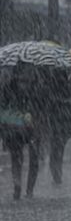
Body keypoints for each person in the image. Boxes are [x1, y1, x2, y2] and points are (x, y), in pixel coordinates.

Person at [1, 66, 39, 200]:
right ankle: (28, 189)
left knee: (17, 158)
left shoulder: (8, 87)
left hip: (15, 126)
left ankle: (19, 185)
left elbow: (3, 108)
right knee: (32, 158)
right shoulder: (35, 86)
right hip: (29, 126)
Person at [39, 70, 71, 186]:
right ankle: (57, 172)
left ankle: (56, 172)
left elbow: (47, 103)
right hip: (63, 122)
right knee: (59, 148)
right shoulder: (67, 85)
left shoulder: (52, 86)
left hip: (56, 122)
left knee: (55, 148)